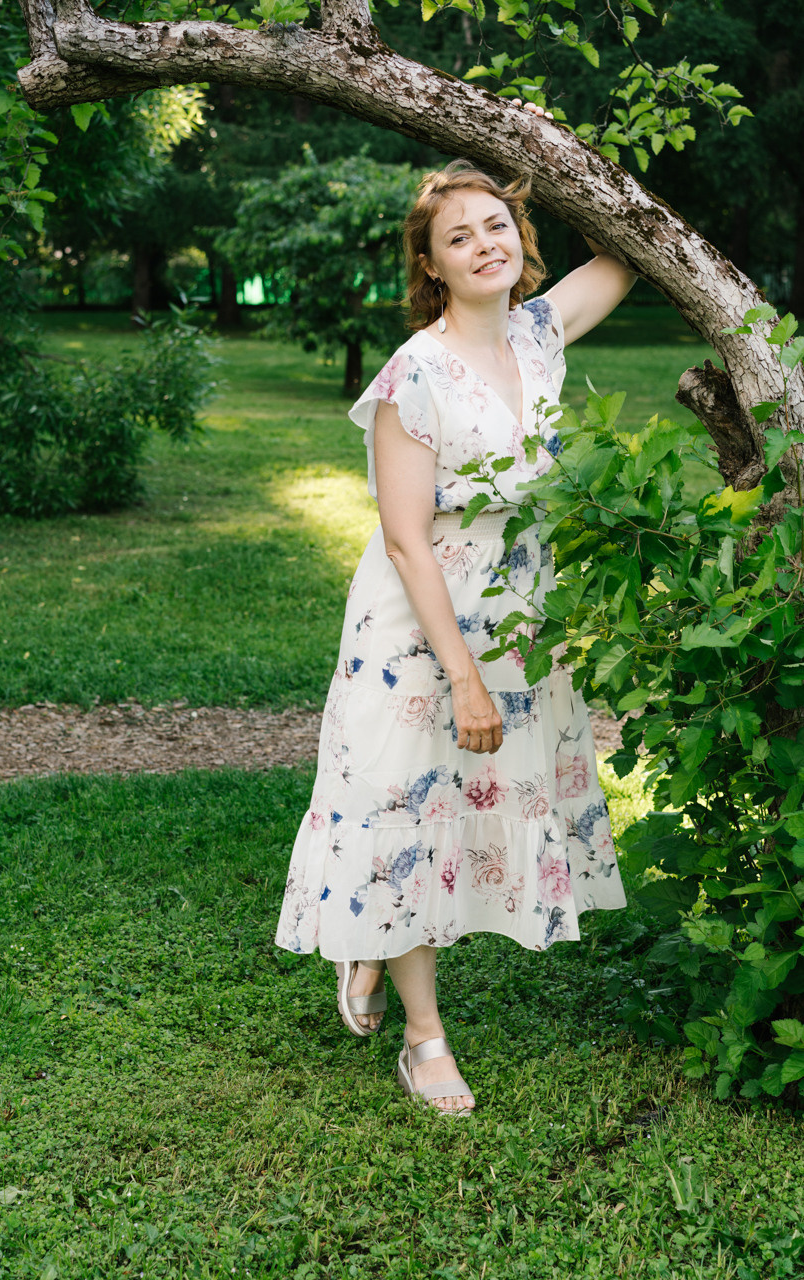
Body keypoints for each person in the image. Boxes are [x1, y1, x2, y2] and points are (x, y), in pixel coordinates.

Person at [276, 136, 635, 1115]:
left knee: (468, 803)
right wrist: (462, 676)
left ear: (522, 239)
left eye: (498, 226)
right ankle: (423, 1037)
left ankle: (370, 938)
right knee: (409, 808)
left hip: (518, 617)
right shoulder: (414, 373)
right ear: (429, 265)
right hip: (417, 624)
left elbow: (630, 248)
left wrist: (552, 151)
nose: (484, 245)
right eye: (459, 236)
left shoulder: (538, 333)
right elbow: (404, 539)